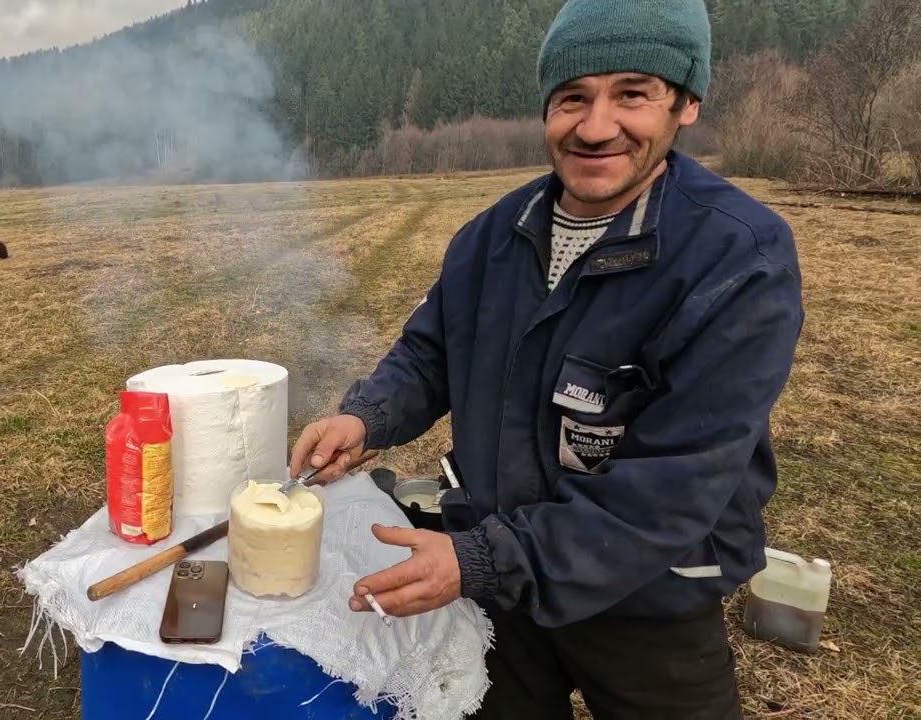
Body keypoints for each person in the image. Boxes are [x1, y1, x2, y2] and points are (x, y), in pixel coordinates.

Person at [287, 0, 805, 717]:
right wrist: (368, 417)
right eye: (572, 98)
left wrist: (479, 559)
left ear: (685, 103)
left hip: (649, 592)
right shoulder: (491, 236)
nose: (595, 127)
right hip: (502, 584)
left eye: (633, 93)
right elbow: (432, 351)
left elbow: (675, 486)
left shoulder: (737, 258)